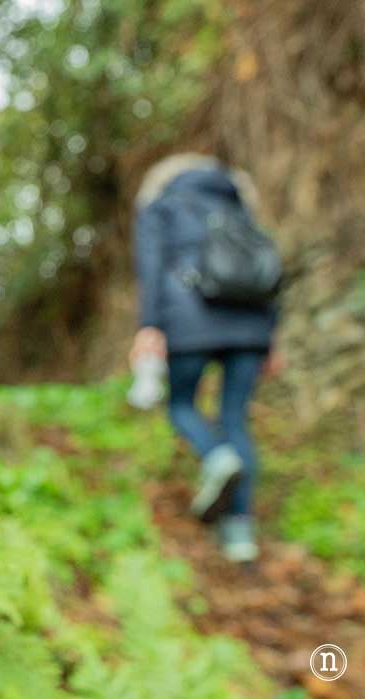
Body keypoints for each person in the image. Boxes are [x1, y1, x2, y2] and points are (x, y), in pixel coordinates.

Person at [130, 153, 280, 563]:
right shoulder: (238, 206)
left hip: (188, 319)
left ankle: (215, 457)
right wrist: (269, 338)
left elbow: (151, 266)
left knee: (180, 404)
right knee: (234, 419)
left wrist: (149, 326)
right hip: (250, 325)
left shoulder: (161, 206)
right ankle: (239, 535)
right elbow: (267, 271)